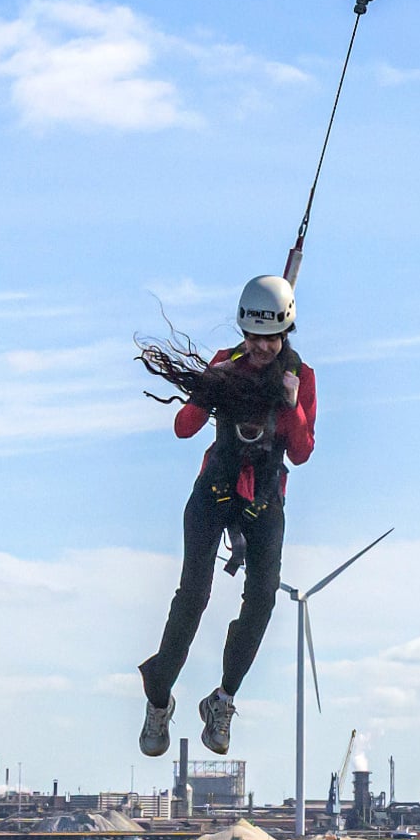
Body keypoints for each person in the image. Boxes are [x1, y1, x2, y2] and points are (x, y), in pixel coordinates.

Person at [137, 274, 317, 759]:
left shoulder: (301, 377)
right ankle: (159, 699)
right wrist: (210, 386)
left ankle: (222, 701)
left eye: (270, 337)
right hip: (213, 494)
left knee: (262, 597)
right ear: (243, 330)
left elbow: (300, 453)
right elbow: (183, 428)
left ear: (285, 333)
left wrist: (292, 403)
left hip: (264, 501)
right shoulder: (225, 365)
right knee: (193, 595)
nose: (260, 346)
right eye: (253, 336)